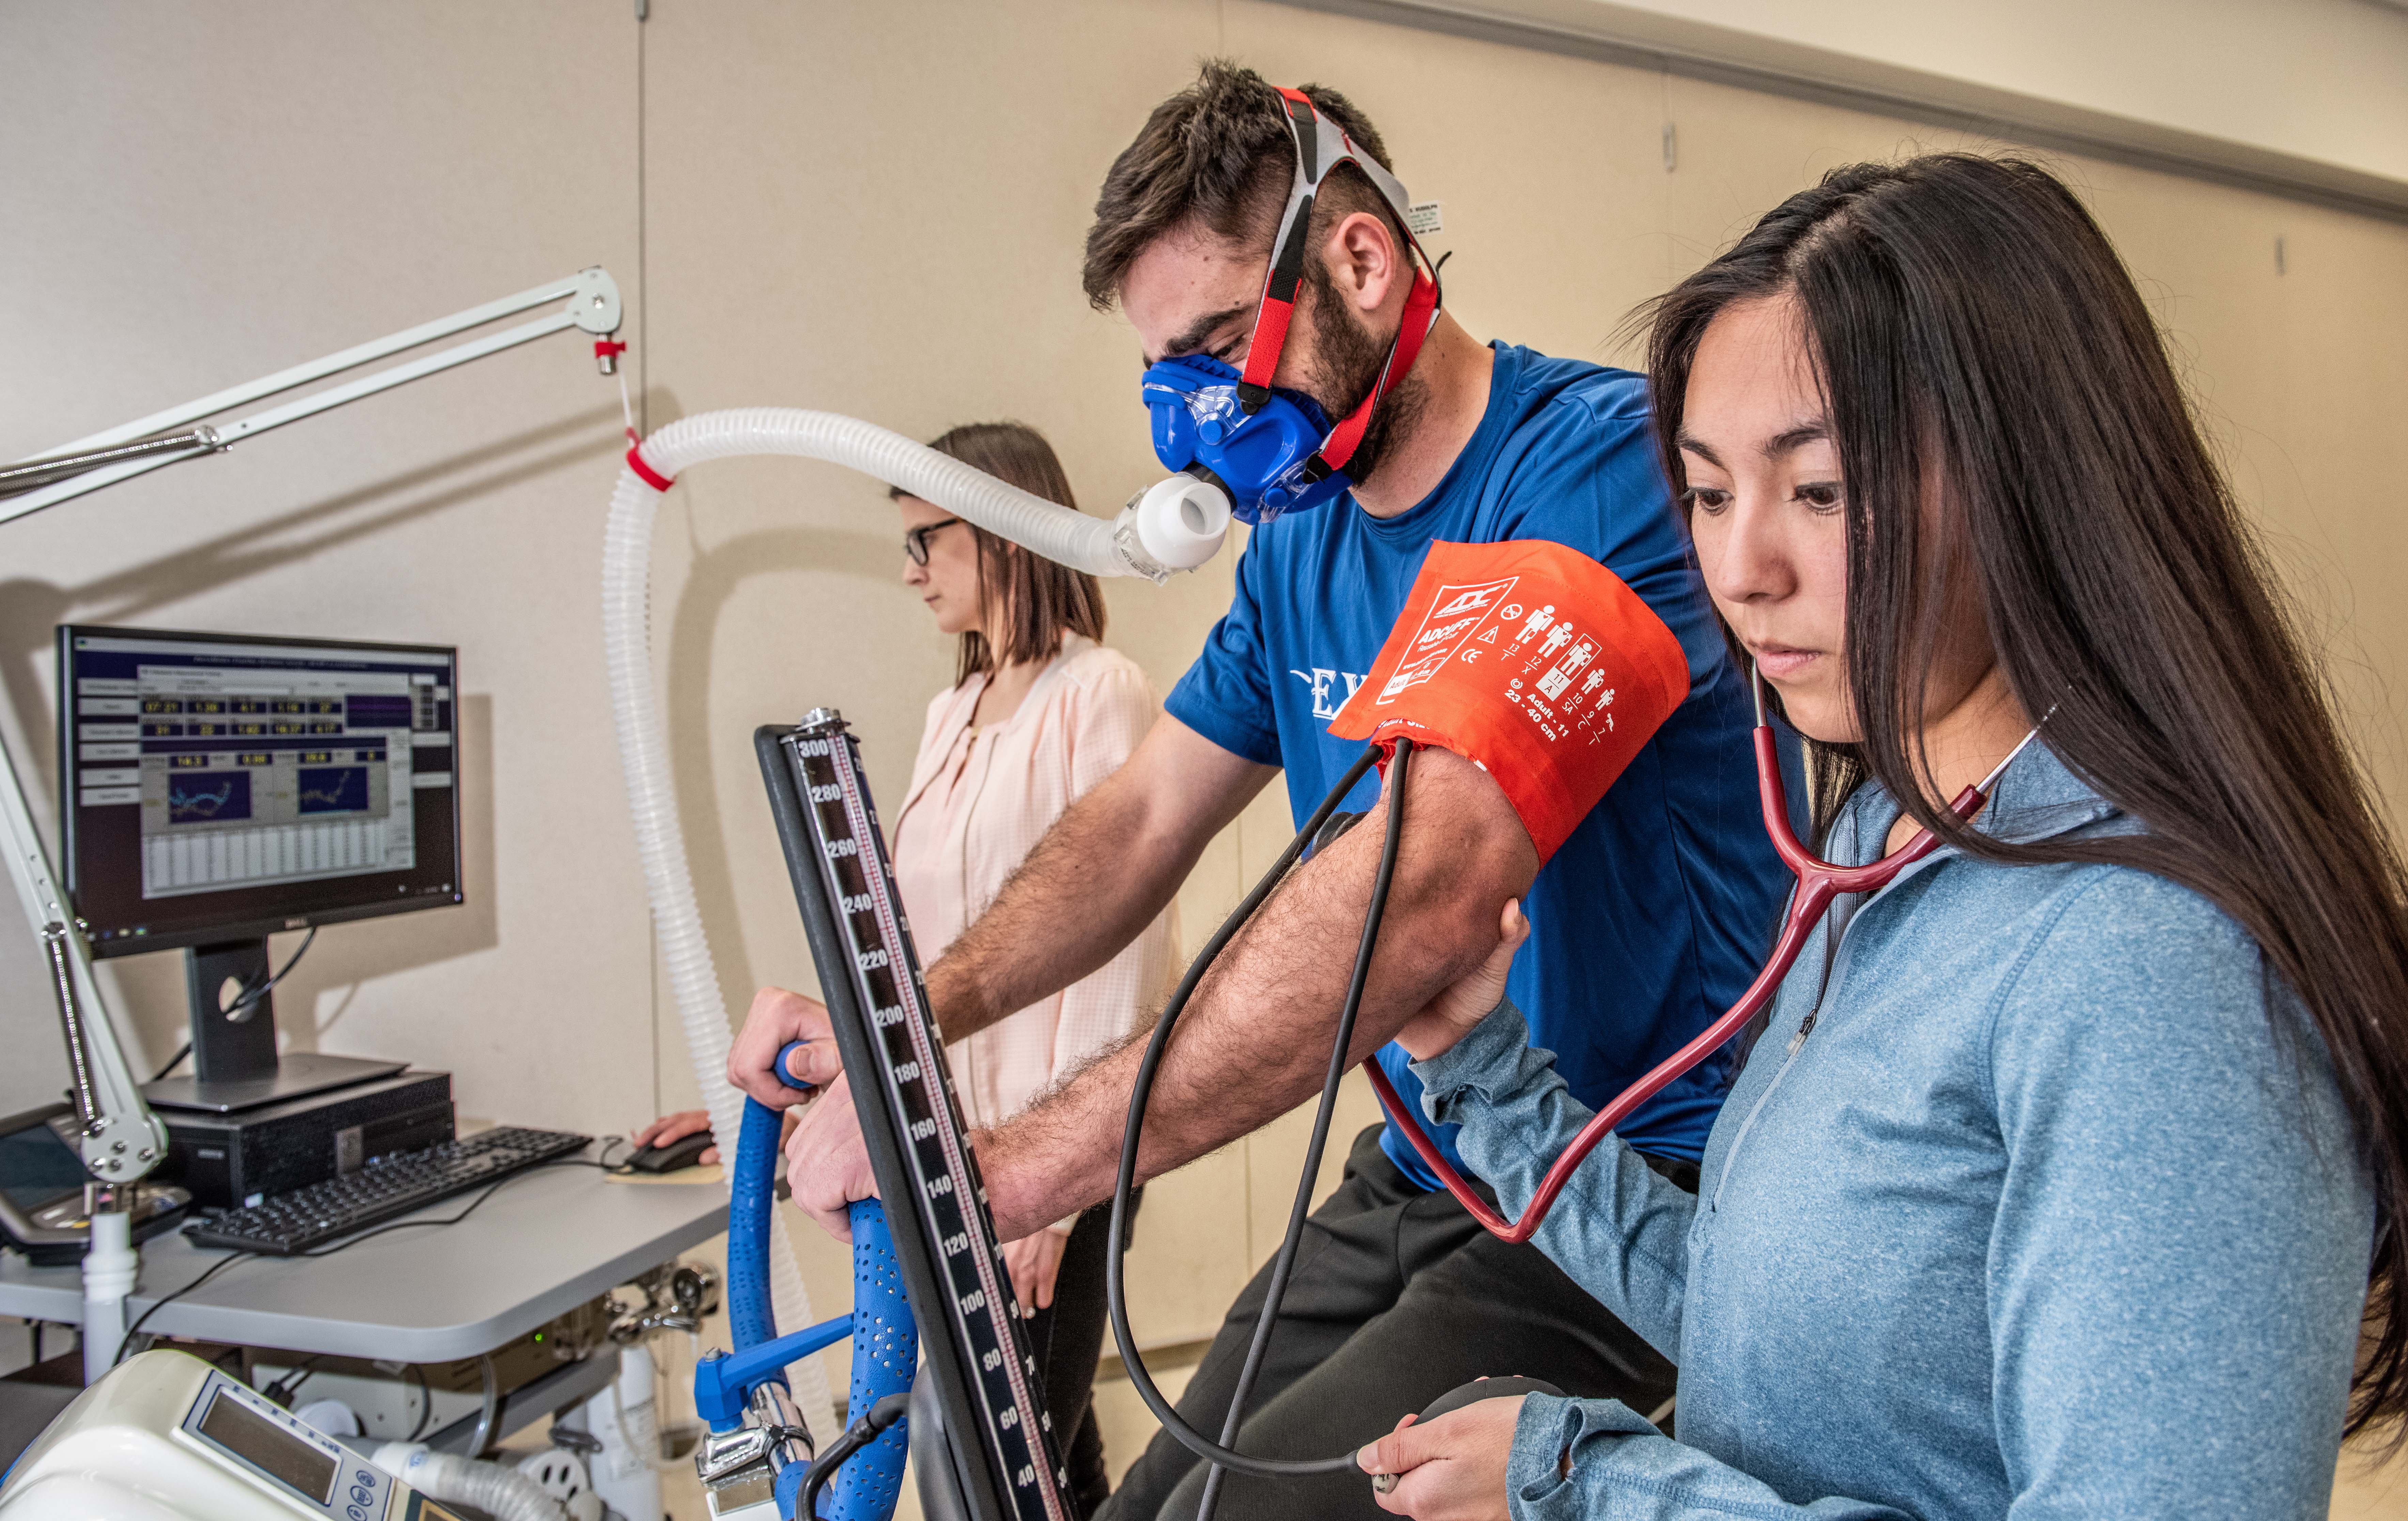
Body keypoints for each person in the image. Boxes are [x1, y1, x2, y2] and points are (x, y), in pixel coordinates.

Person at [735, 63, 1795, 1521]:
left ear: (1360, 261)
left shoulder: (1597, 472)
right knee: (1148, 1501)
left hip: (1631, 1191)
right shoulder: (1297, 551)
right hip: (1432, 1154)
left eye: (1224, 345)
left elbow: (1410, 902)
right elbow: (1143, 819)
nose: (1195, 416)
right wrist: (905, 1021)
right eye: (1171, 367)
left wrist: (1002, 1172)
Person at [1352, 154, 2408, 1519]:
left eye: (1822, 490)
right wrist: (1483, 1080)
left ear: (2034, 480)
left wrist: (1599, 1487)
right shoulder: (1887, 846)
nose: (1742, 570)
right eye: (1713, 492)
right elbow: (1781, 1329)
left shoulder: (2157, 968)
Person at [633, 421, 1173, 1516]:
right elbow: (916, 955)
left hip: (1046, 1159)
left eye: (930, 540)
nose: (911, 568)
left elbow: (1122, 952)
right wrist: (791, 1097)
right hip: (944, 1154)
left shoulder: (1097, 691)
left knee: (1000, 1464)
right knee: (1045, 1455)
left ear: (1009, 534)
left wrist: (1053, 1195)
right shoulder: (951, 713)